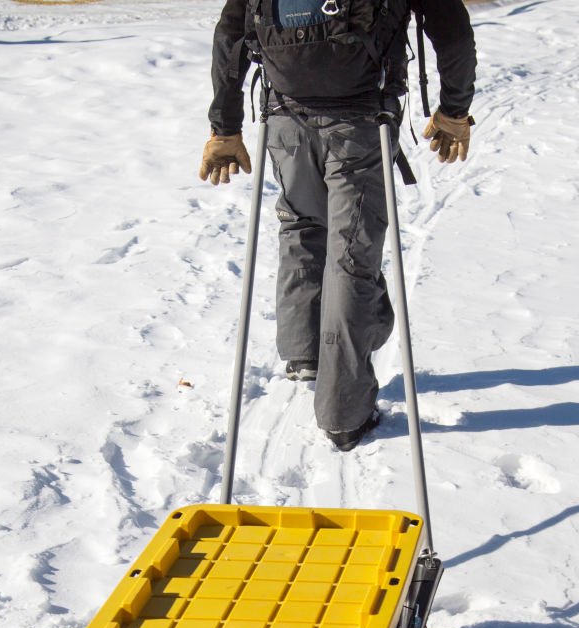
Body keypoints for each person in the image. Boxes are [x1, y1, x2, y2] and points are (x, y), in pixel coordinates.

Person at [200, 1, 477, 451]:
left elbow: (230, 35)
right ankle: (344, 413)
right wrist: (454, 110)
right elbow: (452, 30)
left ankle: (307, 352)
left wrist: (224, 129)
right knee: (352, 254)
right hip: (360, 118)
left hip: (285, 115)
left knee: (302, 226)